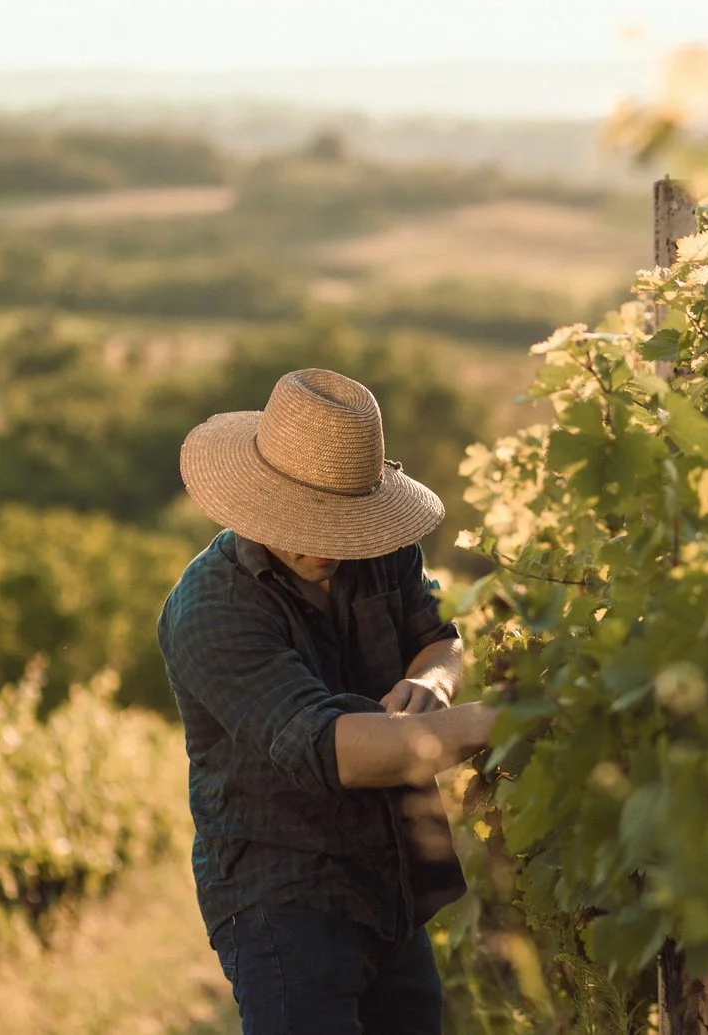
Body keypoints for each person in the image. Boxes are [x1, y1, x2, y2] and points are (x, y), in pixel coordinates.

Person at [157, 367, 497, 1035]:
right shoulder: (211, 610)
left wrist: (433, 683)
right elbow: (330, 748)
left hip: (389, 878)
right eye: (303, 520)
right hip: (281, 894)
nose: (324, 544)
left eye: (341, 520)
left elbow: (439, 639)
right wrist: (498, 723)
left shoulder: (377, 549)